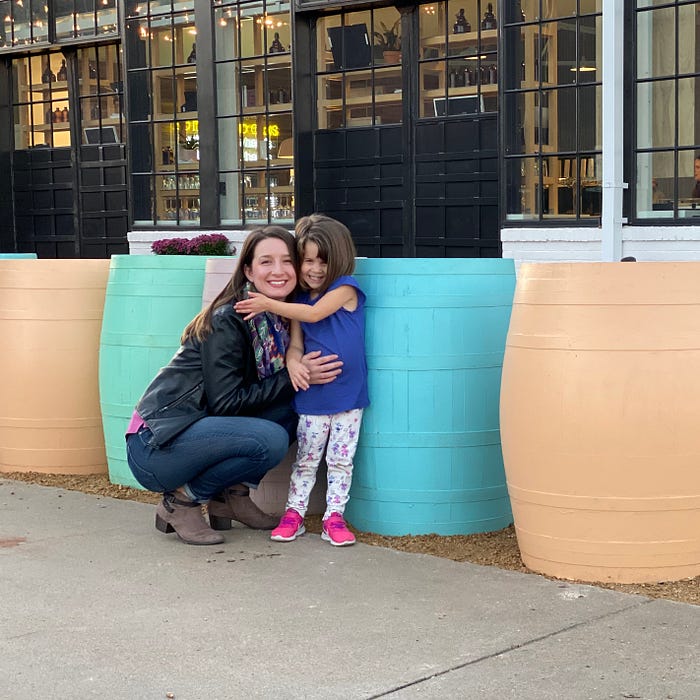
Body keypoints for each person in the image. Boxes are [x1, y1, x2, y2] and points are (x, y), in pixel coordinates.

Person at [125, 226, 343, 546]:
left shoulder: (280, 321)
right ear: (248, 271)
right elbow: (226, 403)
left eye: (287, 261)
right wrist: (294, 376)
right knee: (270, 437)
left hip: (199, 432)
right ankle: (181, 502)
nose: (279, 270)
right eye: (266, 262)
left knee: (297, 408)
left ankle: (230, 497)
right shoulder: (229, 319)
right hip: (157, 443)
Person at [235, 214, 369, 547]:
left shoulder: (345, 288)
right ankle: (294, 514)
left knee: (340, 461)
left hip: (348, 396)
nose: (315, 269)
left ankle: (334, 517)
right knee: (307, 458)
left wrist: (267, 303)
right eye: (308, 260)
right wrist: (294, 364)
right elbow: (296, 344)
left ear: (340, 259)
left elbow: (314, 314)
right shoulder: (299, 301)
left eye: (324, 261)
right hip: (312, 395)